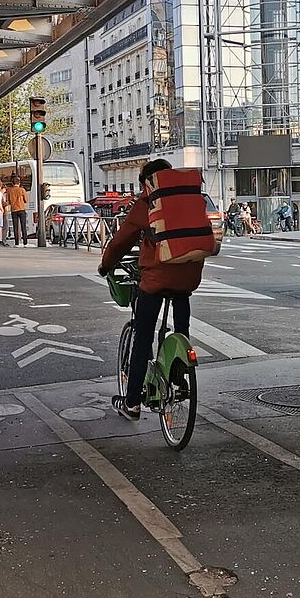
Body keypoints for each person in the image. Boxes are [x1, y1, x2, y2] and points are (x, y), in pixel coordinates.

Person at [98, 159, 205, 420]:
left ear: (147, 181)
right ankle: (180, 376)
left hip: (156, 279)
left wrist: (105, 266)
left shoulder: (146, 204)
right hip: (189, 275)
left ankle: (132, 402)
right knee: (182, 325)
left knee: (143, 335)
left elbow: (121, 241)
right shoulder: (190, 198)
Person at [7, 176, 30, 247]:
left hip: (14, 210)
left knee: (15, 226)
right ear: (19, 183)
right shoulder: (22, 190)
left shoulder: (9, 190)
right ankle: (25, 242)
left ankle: (16, 242)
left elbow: (9, 201)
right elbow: (26, 200)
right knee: (23, 226)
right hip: (21, 209)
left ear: (12, 183)